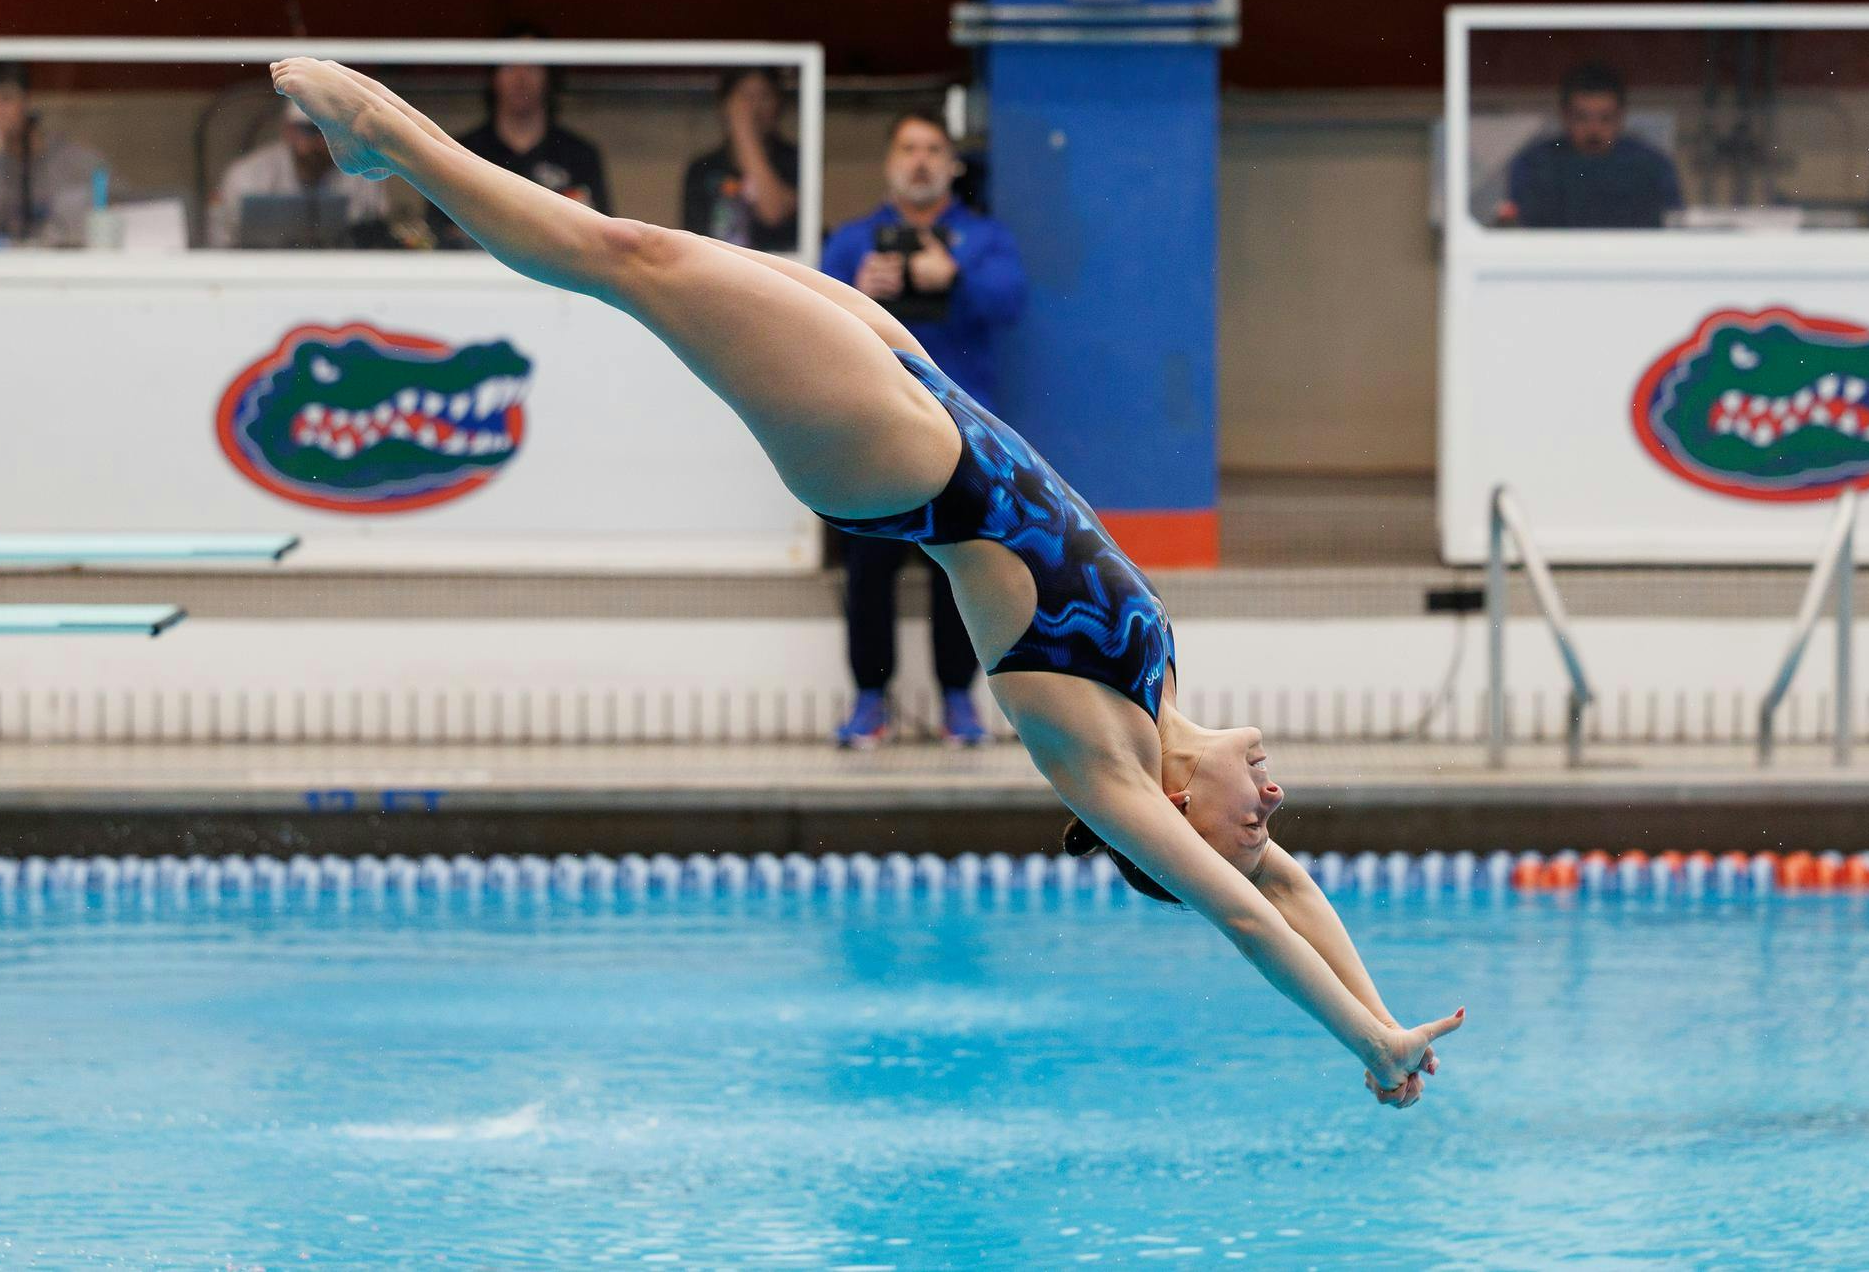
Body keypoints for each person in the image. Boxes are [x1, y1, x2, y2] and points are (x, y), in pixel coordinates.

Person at [271, 56, 1463, 1108]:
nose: (1269, 805)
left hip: (891, 458)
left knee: (626, 260)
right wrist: (1388, 1019)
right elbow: (1291, 888)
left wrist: (1358, 1039)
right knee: (649, 254)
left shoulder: (1099, 762)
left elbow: (1250, 913)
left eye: (1246, 825)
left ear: (1175, 831)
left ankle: (384, 139)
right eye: (1267, 822)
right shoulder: (1157, 693)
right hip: (926, 389)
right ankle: (384, 138)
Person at [821, 110, 1029, 748]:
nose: (920, 161)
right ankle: (868, 699)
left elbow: (1011, 301)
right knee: (870, 565)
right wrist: (858, 294)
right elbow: (810, 317)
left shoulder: (983, 240)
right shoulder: (855, 242)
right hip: (876, 431)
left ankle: (959, 700)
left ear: (952, 165)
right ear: (890, 163)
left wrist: (955, 278)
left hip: (962, 431)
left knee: (962, 567)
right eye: (908, 148)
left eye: (933, 150)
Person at [429, 33, 613, 249]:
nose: (521, 77)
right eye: (509, 66)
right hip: (475, 277)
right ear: (493, 76)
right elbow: (438, 234)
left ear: (549, 76)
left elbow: (602, 238)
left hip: (557, 279)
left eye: (532, 66)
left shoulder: (579, 154)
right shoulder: (460, 151)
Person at [1500, 62, 1683, 229]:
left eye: (1605, 119)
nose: (1593, 130)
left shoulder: (1652, 166)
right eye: (1582, 118)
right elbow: (1519, 231)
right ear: (1564, 116)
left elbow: (1674, 228)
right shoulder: (1534, 165)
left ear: (1621, 118)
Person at [0, 60, 110, 248]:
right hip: (5, 274)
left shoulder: (76, 158)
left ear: (27, 100)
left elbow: (118, 211)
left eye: (6, 98)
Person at [209, 101, 392, 248]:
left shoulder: (363, 173)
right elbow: (223, 242)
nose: (321, 140)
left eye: (328, 131)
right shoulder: (248, 175)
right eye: (311, 130)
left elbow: (374, 239)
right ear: (288, 131)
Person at [680, 67, 800, 252]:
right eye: (745, 96)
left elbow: (773, 212)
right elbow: (692, 244)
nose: (755, 107)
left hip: (777, 271)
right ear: (725, 105)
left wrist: (745, 132)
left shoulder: (795, 160)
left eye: (764, 96)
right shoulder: (703, 169)